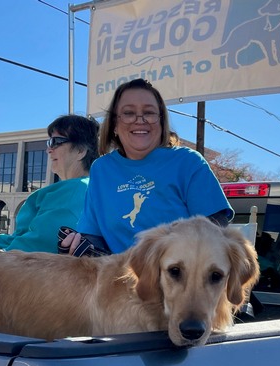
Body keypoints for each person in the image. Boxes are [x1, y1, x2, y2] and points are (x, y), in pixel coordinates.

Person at [60, 78, 232, 255]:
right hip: (117, 270)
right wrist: (80, 245)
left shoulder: (188, 162)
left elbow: (215, 227)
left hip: (177, 269)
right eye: (128, 113)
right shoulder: (101, 169)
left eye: (149, 113)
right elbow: (92, 233)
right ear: (114, 125)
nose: (140, 120)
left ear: (161, 122)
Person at [0, 114, 99, 253]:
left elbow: (36, 245)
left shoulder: (76, 189)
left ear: (81, 151)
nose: (49, 150)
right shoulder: (89, 188)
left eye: (56, 142)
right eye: (49, 143)